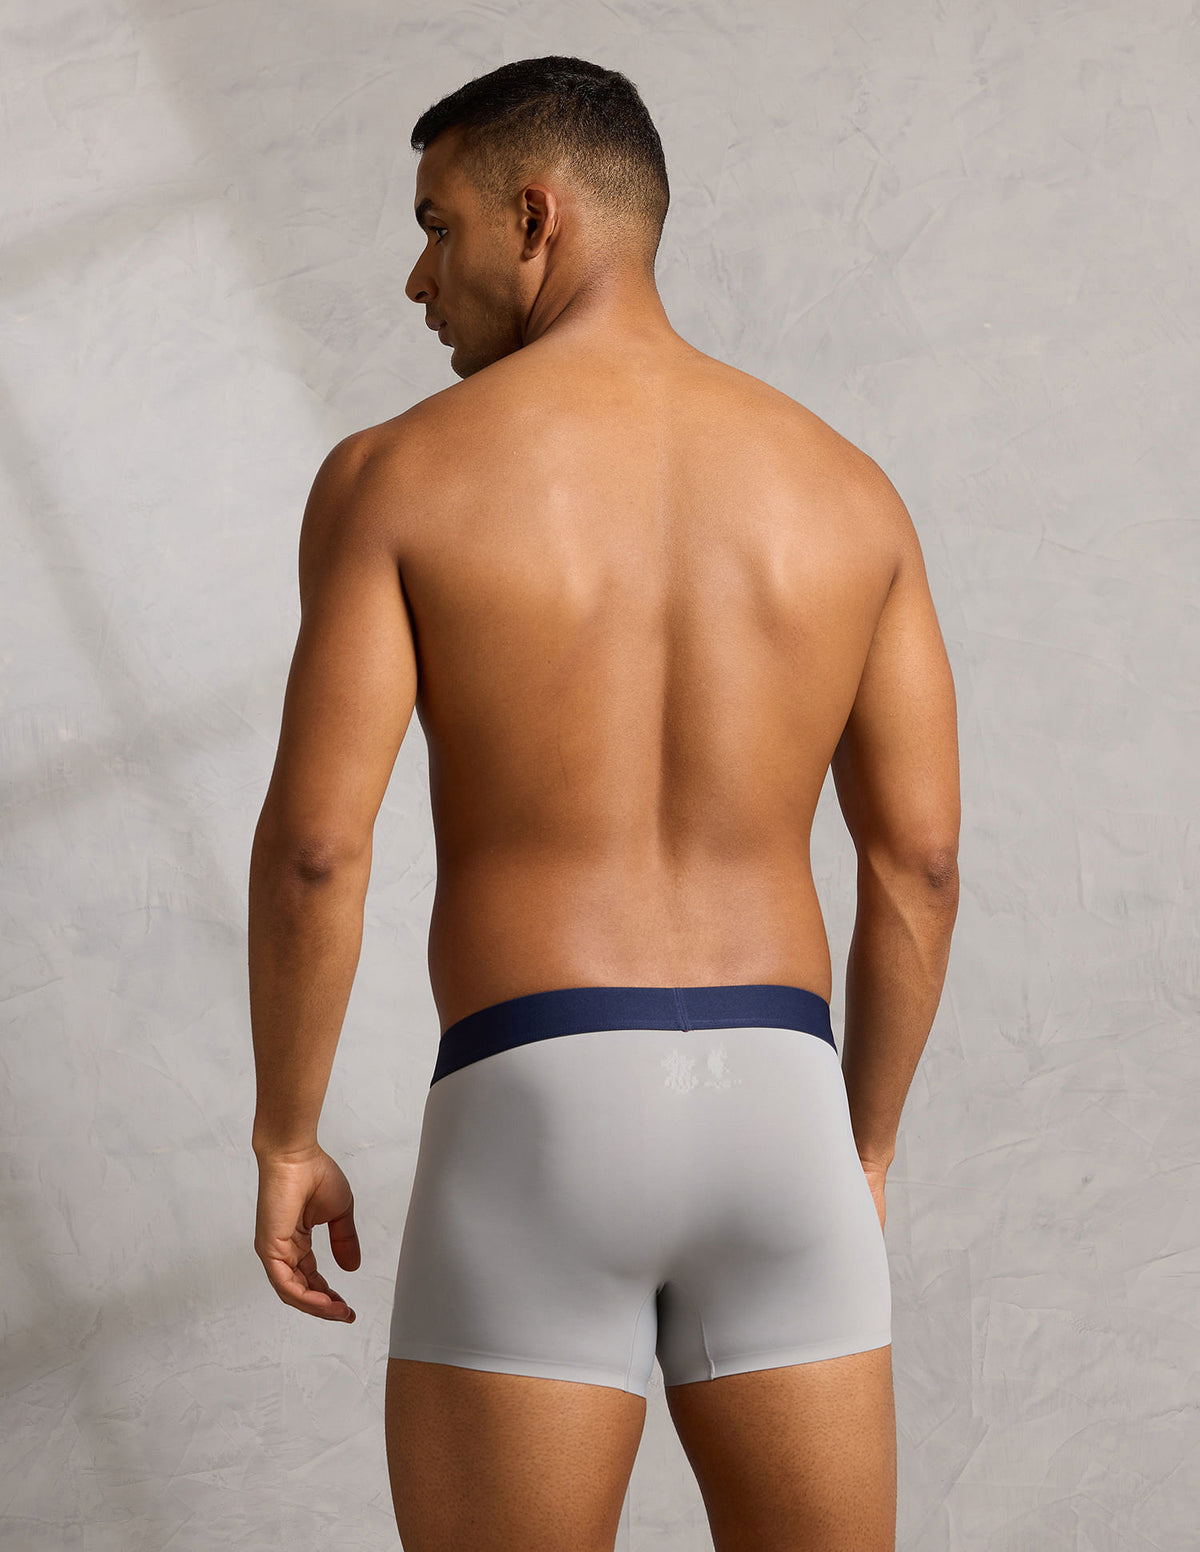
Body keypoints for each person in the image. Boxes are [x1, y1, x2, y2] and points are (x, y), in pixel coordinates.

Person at [248, 54, 959, 1552]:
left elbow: (317, 851)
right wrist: (866, 1149)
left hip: (535, 1100)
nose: (416, 277)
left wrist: (287, 1135)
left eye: (437, 226)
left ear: (535, 217)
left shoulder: (397, 477)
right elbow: (920, 862)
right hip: (784, 1105)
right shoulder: (850, 490)